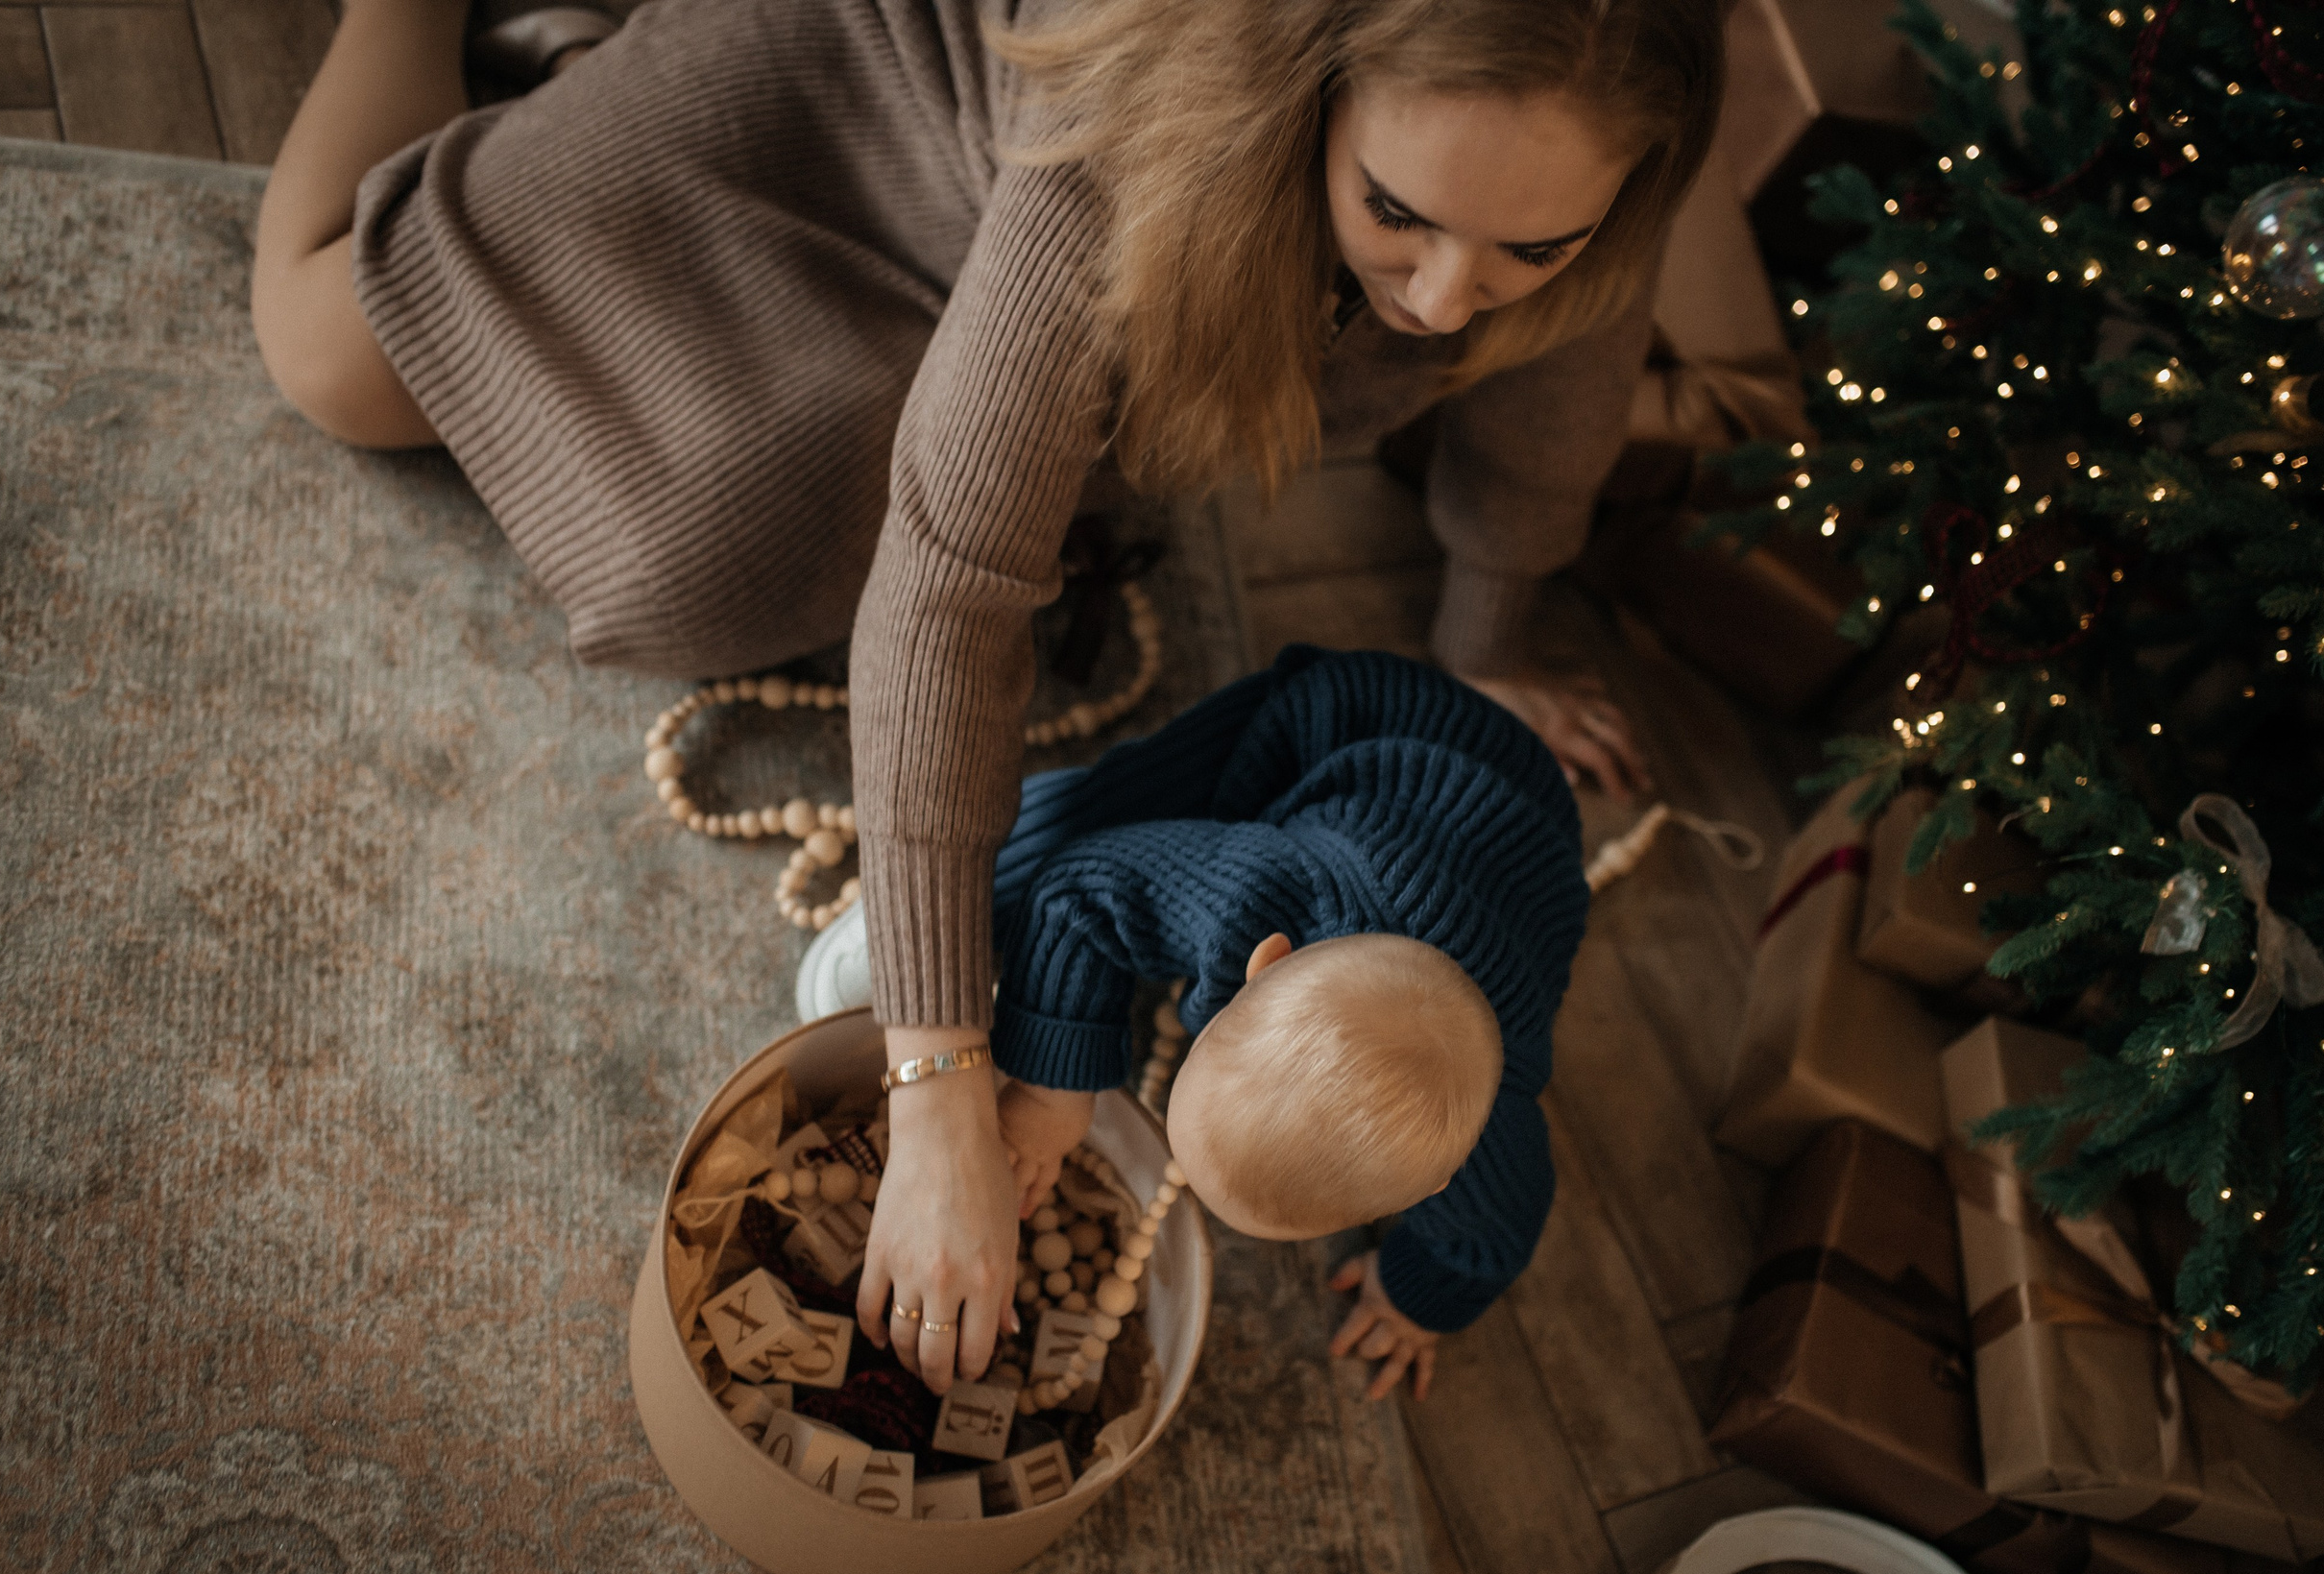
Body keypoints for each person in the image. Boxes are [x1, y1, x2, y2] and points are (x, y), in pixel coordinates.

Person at [248, 0, 1722, 1394]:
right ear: (1309, 79)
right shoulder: (1141, 129)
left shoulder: (1594, 156)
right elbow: (952, 594)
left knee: (816, 508)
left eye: (1530, 247)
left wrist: (1490, 633)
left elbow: (1555, 387)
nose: (1445, 301)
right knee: (352, 369)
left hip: (983, 269)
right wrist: (945, 1081)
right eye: (1396, 212)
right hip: (858, 109)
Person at [985, 644, 1586, 1399]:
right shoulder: (1256, 893)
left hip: (1529, 861)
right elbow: (1080, 891)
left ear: (1435, 1184)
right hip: (1364, 726)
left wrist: (1414, 1299)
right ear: (1261, 960)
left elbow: (1496, 1238)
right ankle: (963, 885)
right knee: (1054, 844)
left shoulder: (1487, 1149)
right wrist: (1048, 1089)